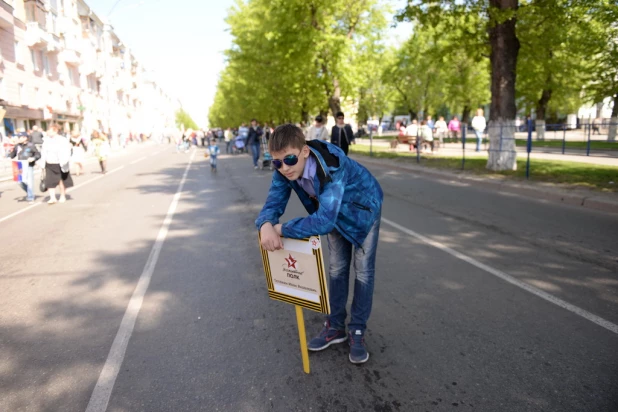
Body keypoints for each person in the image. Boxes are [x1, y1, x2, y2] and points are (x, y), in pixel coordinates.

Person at [256, 124, 383, 364]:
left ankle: (357, 330)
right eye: (276, 162)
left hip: (363, 213)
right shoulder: (284, 169)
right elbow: (273, 202)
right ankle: (335, 326)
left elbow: (324, 221)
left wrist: (281, 228)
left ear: (304, 151)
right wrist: (264, 224)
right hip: (331, 213)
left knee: (363, 271)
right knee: (336, 268)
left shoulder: (332, 166)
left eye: (289, 159)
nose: (284, 168)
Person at [40, 124, 73, 204]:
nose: (48, 132)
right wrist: (42, 163)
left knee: (61, 181)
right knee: (50, 181)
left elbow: (67, 151)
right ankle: (52, 197)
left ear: (55, 131)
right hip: (49, 163)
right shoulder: (46, 140)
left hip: (60, 164)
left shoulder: (63, 140)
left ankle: (62, 196)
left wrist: (65, 161)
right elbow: (43, 152)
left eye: (50, 130)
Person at [9, 132, 40, 204]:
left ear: (25, 137)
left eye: (20, 137)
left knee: (29, 182)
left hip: (28, 164)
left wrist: (33, 158)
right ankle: (29, 192)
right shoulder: (17, 146)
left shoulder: (31, 145)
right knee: (19, 181)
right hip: (20, 165)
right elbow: (12, 155)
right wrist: (11, 151)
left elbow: (38, 154)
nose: (18, 139)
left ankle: (30, 197)